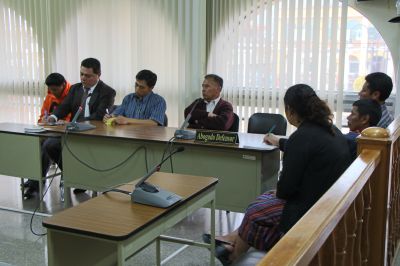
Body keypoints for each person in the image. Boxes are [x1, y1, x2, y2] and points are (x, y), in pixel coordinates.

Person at [203, 84, 351, 265]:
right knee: (262, 199)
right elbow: (310, 149)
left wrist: (278, 191)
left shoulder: (302, 137)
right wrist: (279, 141)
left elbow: (286, 189)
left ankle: (233, 256)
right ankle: (230, 242)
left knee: (257, 209)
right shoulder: (330, 129)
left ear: (290, 109)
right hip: (327, 197)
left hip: (309, 206)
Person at [24, 58, 116, 197]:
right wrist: (53, 117)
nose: (83, 78)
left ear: (98, 75)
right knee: (49, 144)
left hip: (94, 133)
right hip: (72, 132)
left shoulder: (107, 92)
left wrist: (73, 124)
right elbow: (64, 107)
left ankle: (79, 177)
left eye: (88, 75)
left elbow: (99, 116)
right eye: (81, 74)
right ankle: (76, 175)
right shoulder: (75, 88)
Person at [23, 73, 73, 198]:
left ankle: (36, 183)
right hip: (49, 131)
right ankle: (35, 178)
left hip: (65, 134)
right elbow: (42, 117)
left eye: (55, 90)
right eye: (51, 89)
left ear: (63, 85)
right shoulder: (50, 96)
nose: (53, 92)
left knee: (46, 145)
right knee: (33, 142)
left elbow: (73, 120)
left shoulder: (73, 94)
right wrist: (43, 122)